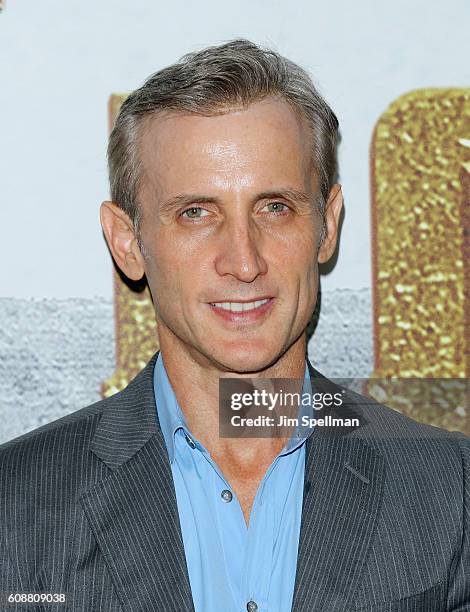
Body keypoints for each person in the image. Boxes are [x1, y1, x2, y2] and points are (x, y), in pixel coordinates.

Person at [0, 39, 469, 612]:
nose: (244, 262)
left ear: (327, 227)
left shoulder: (451, 491)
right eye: (196, 212)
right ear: (128, 242)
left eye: (275, 207)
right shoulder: (13, 502)